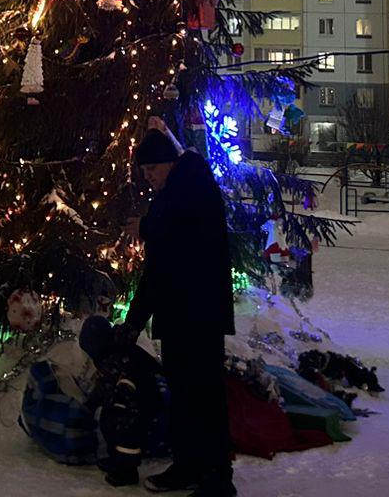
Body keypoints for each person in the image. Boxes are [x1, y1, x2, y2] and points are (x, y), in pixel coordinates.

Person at [122, 122, 234, 497]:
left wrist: (147, 226)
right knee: (185, 397)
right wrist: (136, 318)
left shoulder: (192, 184)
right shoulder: (175, 193)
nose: (148, 177)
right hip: (178, 313)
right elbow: (160, 265)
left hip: (198, 314)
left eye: (151, 169)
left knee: (203, 395)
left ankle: (217, 478)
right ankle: (189, 466)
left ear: (169, 163)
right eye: (143, 172)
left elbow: (178, 232)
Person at [79, 314, 165, 486]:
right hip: (132, 397)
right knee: (109, 416)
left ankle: (127, 469)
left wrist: (112, 400)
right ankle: (117, 458)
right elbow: (105, 384)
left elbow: (122, 382)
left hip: (141, 402)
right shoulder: (112, 353)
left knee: (123, 423)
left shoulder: (117, 356)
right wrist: (91, 404)